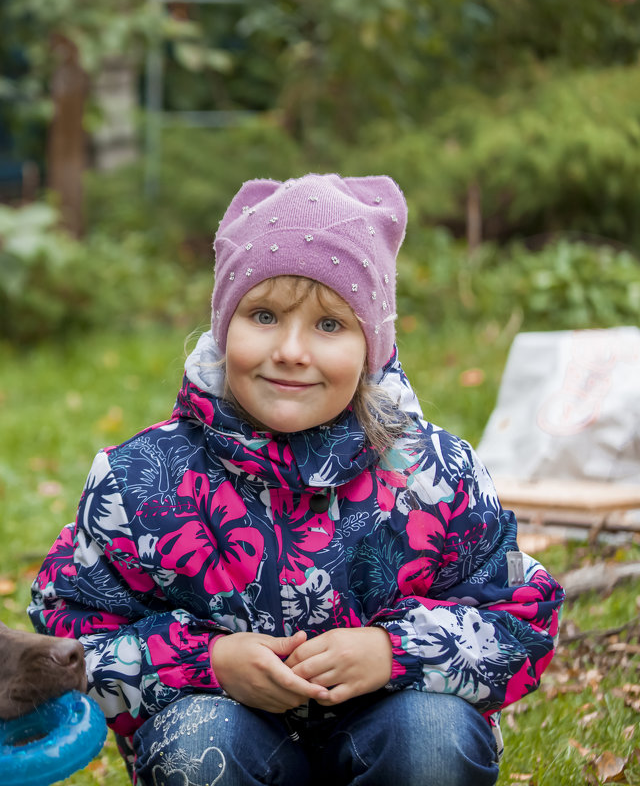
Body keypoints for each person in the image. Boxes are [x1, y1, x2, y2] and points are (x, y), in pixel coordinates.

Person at [28, 174, 564, 786]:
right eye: (263, 315)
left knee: (434, 737)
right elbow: (67, 638)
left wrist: (395, 654)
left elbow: (521, 619)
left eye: (329, 325)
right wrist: (206, 661)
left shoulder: (434, 476)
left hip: (392, 729)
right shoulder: (140, 480)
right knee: (200, 743)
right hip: (226, 733)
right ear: (223, 325)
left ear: (373, 345)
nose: (290, 350)